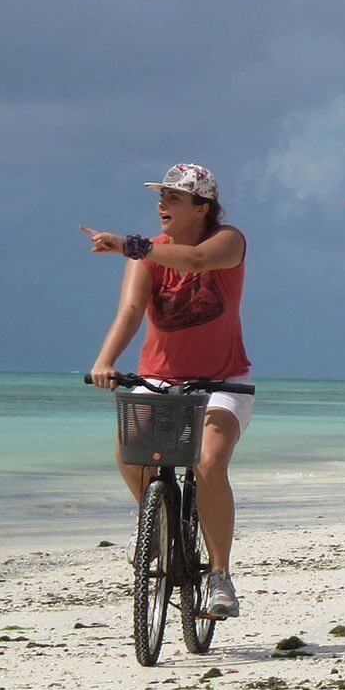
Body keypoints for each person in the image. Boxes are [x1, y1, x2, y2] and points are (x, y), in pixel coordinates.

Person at [81, 163, 252, 619]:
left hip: (223, 381)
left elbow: (197, 261)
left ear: (202, 207)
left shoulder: (229, 240)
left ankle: (219, 575)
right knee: (129, 454)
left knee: (208, 461)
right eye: (161, 197)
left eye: (174, 198)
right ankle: (157, 523)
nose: (161, 205)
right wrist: (105, 361)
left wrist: (130, 245)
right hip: (158, 378)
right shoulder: (148, 252)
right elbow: (133, 309)